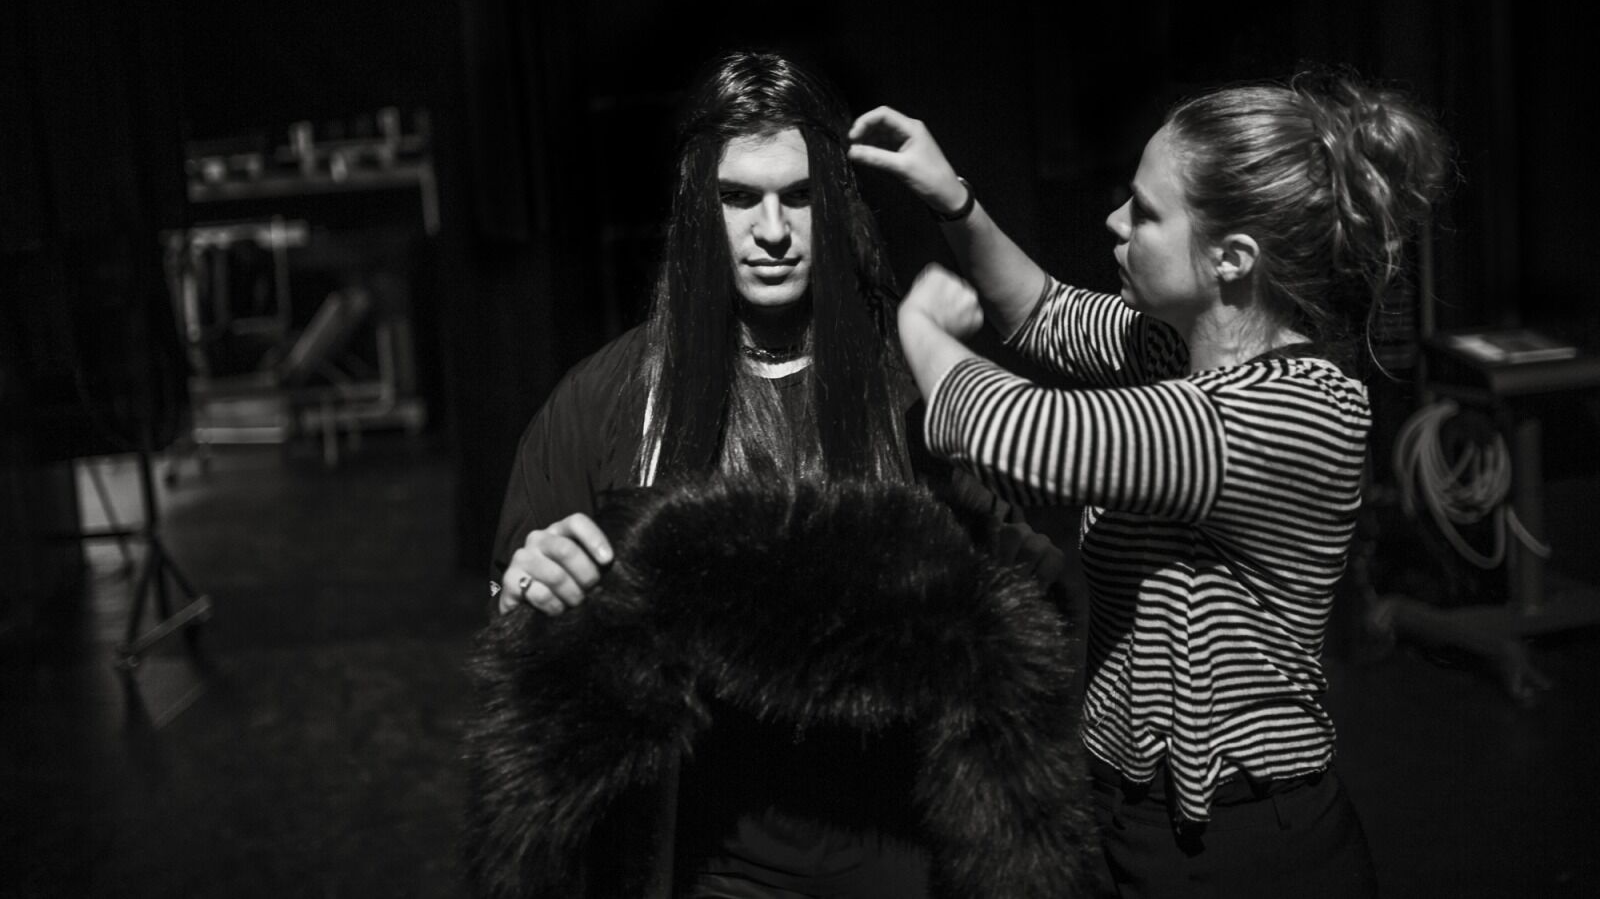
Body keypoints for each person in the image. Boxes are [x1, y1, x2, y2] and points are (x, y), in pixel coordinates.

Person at [849, 71, 1452, 897]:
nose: (1115, 222)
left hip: (1245, 847)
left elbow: (1018, 429)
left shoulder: (1290, 410)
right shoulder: (1176, 346)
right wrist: (953, 199)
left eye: (1145, 213)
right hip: (1134, 821)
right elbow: (1041, 312)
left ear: (1233, 258)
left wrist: (918, 328)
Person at [485, 50, 1070, 899]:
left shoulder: (910, 392)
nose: (771, 230)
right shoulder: (613, 400)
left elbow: (1024, 608)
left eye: (797, 197)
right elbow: (516, 619)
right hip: (703, 865)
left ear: (833, 204)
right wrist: (528, 594)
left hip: (895, 863)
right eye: (739, 198)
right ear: (699, 208)